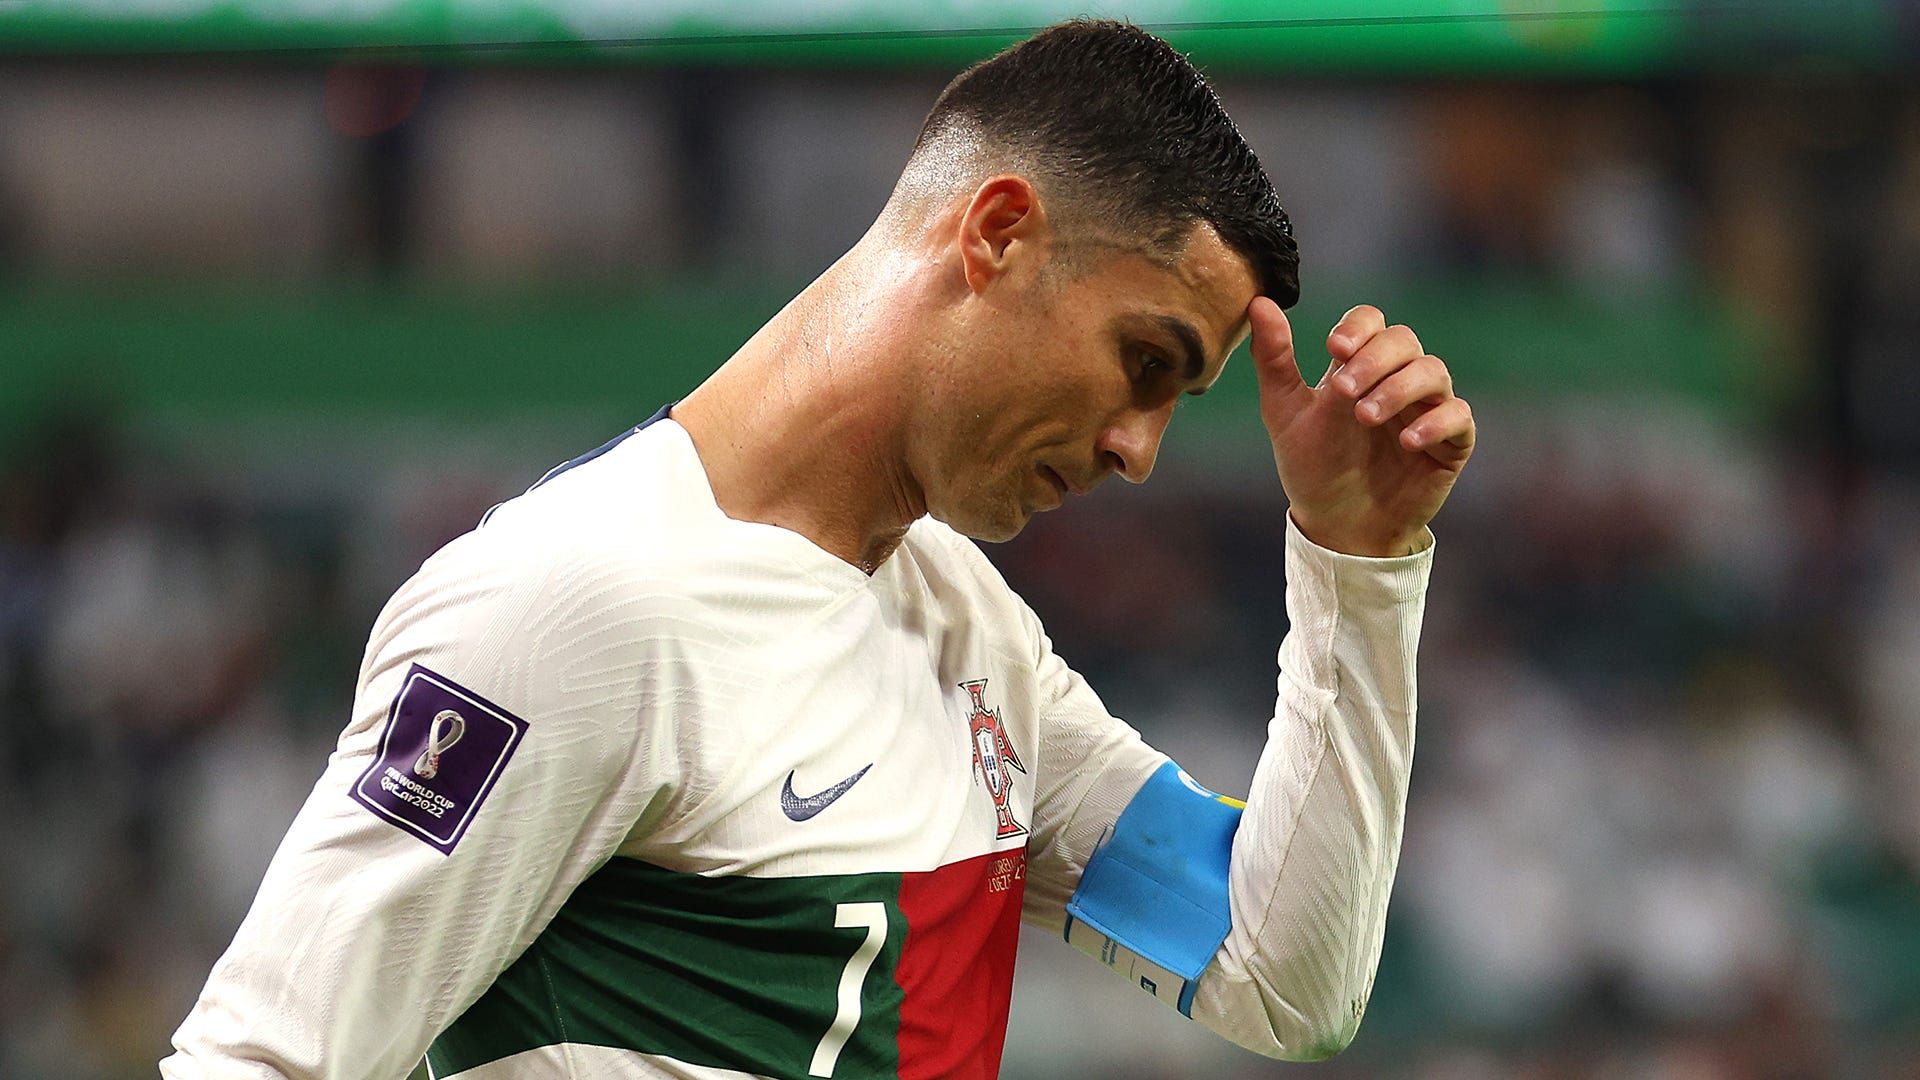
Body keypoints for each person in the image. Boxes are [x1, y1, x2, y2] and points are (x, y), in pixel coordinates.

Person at [163, 19, 1474, 1080]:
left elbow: (1277, 976)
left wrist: (1357, 564)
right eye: (1144, 364)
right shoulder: (574, 607)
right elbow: (263, 1062)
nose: (1140, 449)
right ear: (998, 232)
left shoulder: (967, 627)